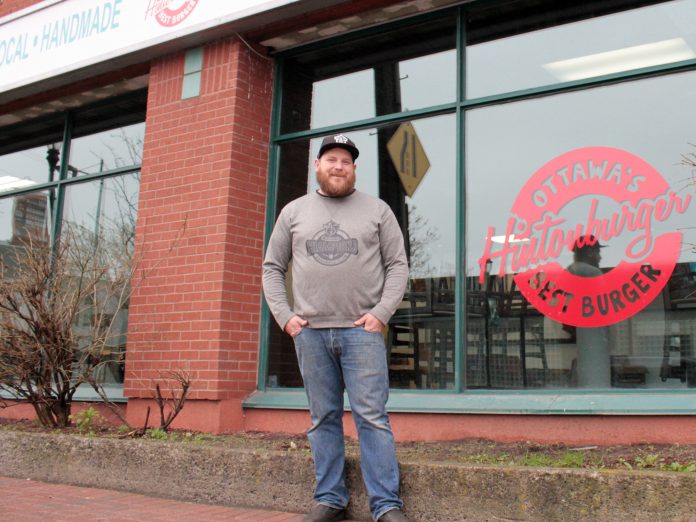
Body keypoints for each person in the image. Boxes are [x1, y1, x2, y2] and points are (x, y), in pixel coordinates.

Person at [262, 133, 410, 522]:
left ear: (354, 168)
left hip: (361, 332)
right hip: (310, 333)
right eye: (331, 159)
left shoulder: (377, 210)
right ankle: (331, 498)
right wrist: (285, 316)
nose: (338, 166)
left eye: (345, 160)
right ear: (318, 166)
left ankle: (386, 506)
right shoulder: (294, 212)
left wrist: (381, 313)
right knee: (322, 417)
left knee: (372, 417)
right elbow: (271, 268)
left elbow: (398, 265)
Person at [566, 234, 611, 388]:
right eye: (598, 252)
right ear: (591, 252)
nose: (600, 257)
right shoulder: (593, 272)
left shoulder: (569, 270)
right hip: (594, 330)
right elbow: (602, 306)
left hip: (576, 328)